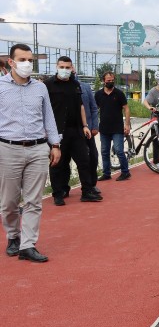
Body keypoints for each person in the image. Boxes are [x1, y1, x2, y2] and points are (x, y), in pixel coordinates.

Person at [0, 43, 61, 262]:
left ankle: (28, 245)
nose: (27, 64)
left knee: (34, 201)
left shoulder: (40, 88)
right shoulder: (1, 87)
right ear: (11, 62)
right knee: (8, 202)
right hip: (8, 149)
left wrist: (54, 145)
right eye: (23, 59)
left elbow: (49, 118)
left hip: (37, 148)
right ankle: (13, 236)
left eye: (30, 60)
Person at [44, 56, 101, 205]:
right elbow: (42, 108)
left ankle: (87, 191)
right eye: (62, 67)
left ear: (71, 68)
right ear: (57, 67)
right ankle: (58, 194)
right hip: (56, 132)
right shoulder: (48, 85)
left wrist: (85, 126)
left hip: (76, 131)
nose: (65, 70)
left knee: (84, 161)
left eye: (67, 67)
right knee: (58, 164)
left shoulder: (75, 85)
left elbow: (81, 106)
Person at [95, 72, 131, 181]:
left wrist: (127, 124)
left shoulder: (119, 93)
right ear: (103, 80)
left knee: (119, 150)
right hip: (104, 128)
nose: (110, 82)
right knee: (104, 151)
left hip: (117, 128)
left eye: (112, 80)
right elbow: (94, 109)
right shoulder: (98, 94)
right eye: (108, 80)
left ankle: (125, 172)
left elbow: (126, 108)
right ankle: (106, 173)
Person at [76, 68, 101, 195]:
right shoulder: (56, 87)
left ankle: (91, 185)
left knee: (93, 157)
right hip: (70, 131)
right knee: (64, 161)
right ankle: (62, 188)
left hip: (88, 130)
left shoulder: (85, 87)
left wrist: (95, 126)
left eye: (70, 69)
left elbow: (93, 107)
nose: (68, 72)